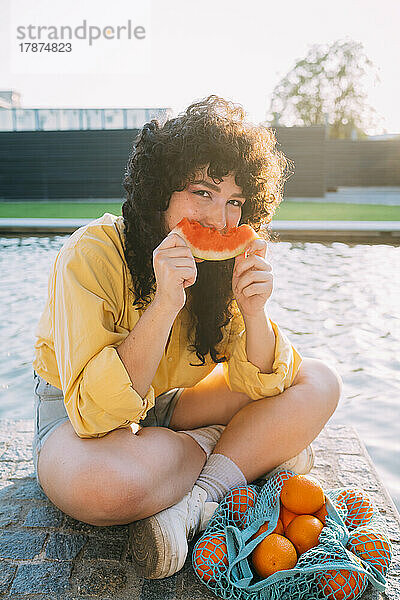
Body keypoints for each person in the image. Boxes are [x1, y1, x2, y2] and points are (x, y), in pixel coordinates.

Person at [32, 95, 342, 580]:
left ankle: (198, 498)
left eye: (234, 202)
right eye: (203, 192)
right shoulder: (91, 252)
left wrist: (254, 311)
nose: (219, 221)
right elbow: (94, 415)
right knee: (102, 486)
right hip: (76, 416)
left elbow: (263, 383)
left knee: (320, 381)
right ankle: (236, 453)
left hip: (165, 403)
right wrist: (164, 304)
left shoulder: (219, 268)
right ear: (160, 191)